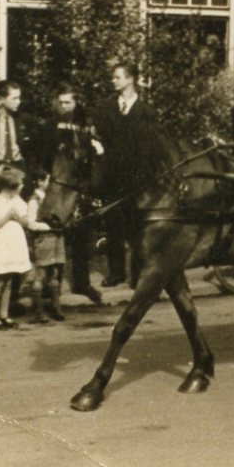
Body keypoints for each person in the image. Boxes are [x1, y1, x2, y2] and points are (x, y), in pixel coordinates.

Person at [93, 62, 158, 288]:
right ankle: (116, 272)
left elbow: (150, 147)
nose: (114, 81)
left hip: (137, 179)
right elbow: (99, 137)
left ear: (131, 79)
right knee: (113, 225)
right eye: (113, 77)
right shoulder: (105, 109)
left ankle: (138, 273)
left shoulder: (146, 112)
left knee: (137, 226)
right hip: (112, 176)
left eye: (118, 77)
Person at [41, 83, 102, 304]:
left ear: (76, 102)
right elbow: (45, 154)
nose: (64, 106)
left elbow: (93, 150)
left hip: (81, 184)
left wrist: (95, 150)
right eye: (61, 102)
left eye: (68, 102)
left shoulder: (86, 123)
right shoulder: (52, 124)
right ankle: (51, 286)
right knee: (54, 234)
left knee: (82, 236)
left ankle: (82, 282)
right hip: (58, 184)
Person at [0, 164, 32, 330]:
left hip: (13, 244)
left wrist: (19, 218)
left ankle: (4, 314)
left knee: (9, 281)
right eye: (20, 183)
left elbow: (26, 222)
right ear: (12, 186)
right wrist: (7, 217)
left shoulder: (19, 201)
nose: (22, 186)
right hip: (0, 245)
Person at [26, 169, 67, 323]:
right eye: (48, 181)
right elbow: (31, 223)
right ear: (39, 182)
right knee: (40, 275)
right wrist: (48, 227)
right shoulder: (34, 201)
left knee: (54, 274)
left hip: (56, 239)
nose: (51, 184)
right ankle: (38, 311)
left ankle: (56, 308)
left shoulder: (52, 198)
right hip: (43, 239)